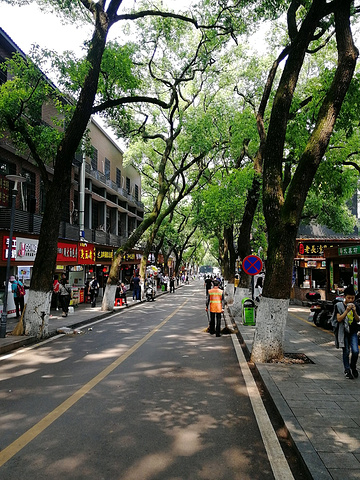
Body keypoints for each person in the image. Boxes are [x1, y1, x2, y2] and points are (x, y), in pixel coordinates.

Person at [334, 285, 360, 379]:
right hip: (343, 332)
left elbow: (357, 320)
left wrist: (354, 311)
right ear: (344, 297)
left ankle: (353, 366)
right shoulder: (339, 306)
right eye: (349, 298)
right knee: (346, 351)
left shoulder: (356, 305)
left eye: (352, 298)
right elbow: (339, 319)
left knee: (356, 351)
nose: (350, 300)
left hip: (353, 332)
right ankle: (347, 370)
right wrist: (347, 310)